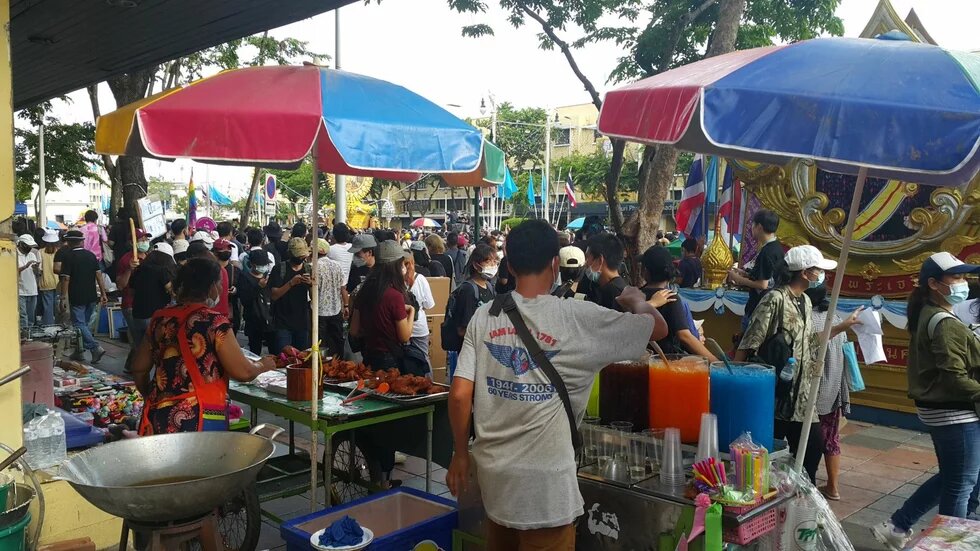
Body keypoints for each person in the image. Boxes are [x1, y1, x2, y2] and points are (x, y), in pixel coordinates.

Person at [446, 220, 669, 550]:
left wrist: (460, 455)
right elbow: (658, 328)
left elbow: (460, 394)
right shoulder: (577, 317)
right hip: (547, 491)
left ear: (509, 265)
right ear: (555, 264)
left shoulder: (486, 315)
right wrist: (635, 299)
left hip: (495, 483)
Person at [872, 252, 980, 550]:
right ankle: (949, 544)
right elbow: (954, 377)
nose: (963, 283)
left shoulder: (932, 313)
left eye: (964, 276)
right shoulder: (944, 322)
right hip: (954, 412)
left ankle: (898, 525)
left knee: (953, 477)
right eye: (956, 278)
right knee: (961, 486)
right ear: (934, 283)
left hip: (943, 410)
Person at [131, 257, 276, 434]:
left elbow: (138, 368)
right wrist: (263, 365)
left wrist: (152, 395)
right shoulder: (214, 322)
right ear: (211, 287)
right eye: (219, 284)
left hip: (157, 415)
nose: (221, 289)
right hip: (197, 418)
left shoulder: (160, 318)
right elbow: (243, 372)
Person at [735, 245, 842, 483]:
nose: (820, 276)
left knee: (811, 453)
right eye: (818, 270)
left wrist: (842, 328)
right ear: (805, 273)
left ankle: (802, 509)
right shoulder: (774, 299)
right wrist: (736, 384)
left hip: (803, 401)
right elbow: (749, 342)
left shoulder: (804, 300)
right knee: (765, 463)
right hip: (777, 398)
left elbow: (808, 342)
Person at [805, 285, 861, 502]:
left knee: (807, 441)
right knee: (831, 439)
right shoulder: (836, 318)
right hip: (834, 388)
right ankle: (833, 487)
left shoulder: (805, 320)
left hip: (812, 393)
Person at [639, 246, 716, 360]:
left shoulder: (636, 295)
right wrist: (716, 363)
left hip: (639, 359)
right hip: (663, 363)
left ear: (645, 271)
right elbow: (685, 337)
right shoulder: (671, 298)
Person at [349, 241, 416, 371]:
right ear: (396, 266)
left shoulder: (364, 290)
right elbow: (404, 336)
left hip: (368, 357)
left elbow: (354, 330)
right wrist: (412, 311)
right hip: (389, 361)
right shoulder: (395, 296)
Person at [728, 209, 784, 331]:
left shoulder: (766, 252)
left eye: (752, 225)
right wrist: (745, 273)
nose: (751, 228)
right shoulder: (777, 248)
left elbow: (762, 284)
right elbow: (768, 276)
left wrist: (738, 279)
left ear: (759, 226)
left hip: (758, 307)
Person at [60, 230, 109, 363]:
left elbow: (65, 279)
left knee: (79, 324)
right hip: (92, 295)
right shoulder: (91, 255)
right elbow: (99, 275)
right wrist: (103, 293)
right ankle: (79, 351)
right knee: (84, 325)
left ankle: (95, 347)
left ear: (69, 242)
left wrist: (63, 298)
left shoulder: (68, 257)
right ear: (82, 241)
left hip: (77, 296)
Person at [268, 237, 313, 353]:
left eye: (303, 256)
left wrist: (311, 285)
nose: (301, 258)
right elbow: (274, 295)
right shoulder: (279, 269)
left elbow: (314, 298)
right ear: (290, 254)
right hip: (283, 322)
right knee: (283, 357)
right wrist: (291, 283)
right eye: (298, 256)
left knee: (302, 358)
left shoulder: (309, 269)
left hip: (302, 322)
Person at [128, 246, 177, 352]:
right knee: (156, 350)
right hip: (155, 317)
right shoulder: (162, 271)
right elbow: (172, 291)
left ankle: (133, 367)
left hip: (137, 316)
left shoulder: (138, 270)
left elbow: (131, 291)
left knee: (141, 349)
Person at [115, 229, 151, 349]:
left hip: (148, 304)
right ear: (132, 243)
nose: (145, 242)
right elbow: (120, 285)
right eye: (141, 240)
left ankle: (131, 365)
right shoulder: (126, 260)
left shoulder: (150, 257)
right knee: (140, 343)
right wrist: (129, 269)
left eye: (146, 239)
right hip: (131, 305)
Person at [237, 250, 276, 355]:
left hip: (270, 319)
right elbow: (245, 299)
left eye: (265, 264)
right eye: (261, 265)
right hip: (253, 320)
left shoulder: (268, 276)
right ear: (253, 265)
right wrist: (258, 287)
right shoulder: (244, 277)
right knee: (255, 351)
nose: (264, 267)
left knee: (274, 350)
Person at [316, 239, 349, 359]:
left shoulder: (314, 267)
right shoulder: (337, 265)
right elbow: (343, 288)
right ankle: (339, 363)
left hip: (319, 311)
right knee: (337, 341)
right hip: (336, 310)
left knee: (320, 343)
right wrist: (346, 305)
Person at [404, 251, 435, 376]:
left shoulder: (394, 280)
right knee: (424, 358)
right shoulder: (421, 279)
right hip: (419, 327)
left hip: (402, 326)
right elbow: (429, 304)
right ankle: (428, 385)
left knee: (404, 358)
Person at [585, 233, 627, 311]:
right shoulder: (619, 288)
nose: (585, 263)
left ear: (600, 260)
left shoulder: (611, 293)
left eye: (587, 257)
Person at [38, 230, 61, 326]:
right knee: (58, 306)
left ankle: (49, 326)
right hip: (58, 282)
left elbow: (40, 269)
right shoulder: (59, 252)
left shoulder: (40, 252)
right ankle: (59, 325)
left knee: (47, 307)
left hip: (45, 282)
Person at [17, 234, 40, 331]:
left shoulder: (32, 255)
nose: (30, 248)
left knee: (31, 316)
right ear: (21, 244)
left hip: (32, 290)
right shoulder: (15, 255)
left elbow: (37, 274)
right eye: (28, 246)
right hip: (20, 290)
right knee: (23, 315)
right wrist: (25, 266)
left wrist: (36, 269)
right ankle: (24, 334)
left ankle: (29, 334)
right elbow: (13, 271)